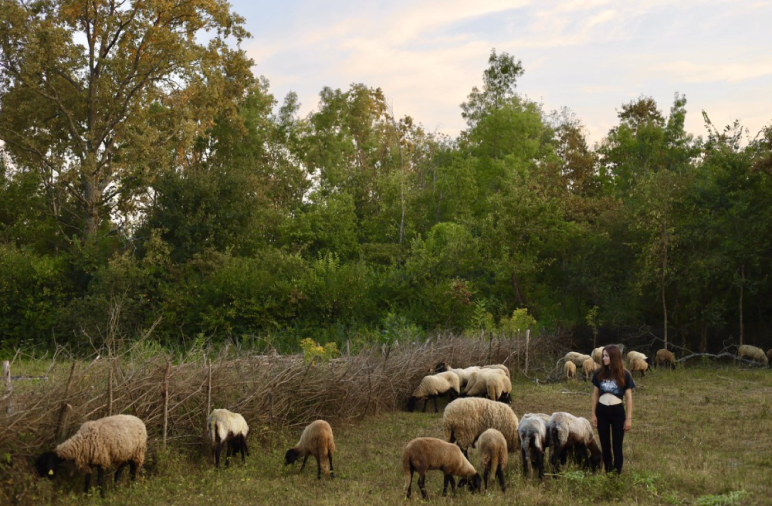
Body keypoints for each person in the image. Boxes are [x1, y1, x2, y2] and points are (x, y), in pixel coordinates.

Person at [591, 344, 634, 474]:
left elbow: (628, 397)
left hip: (617, 413)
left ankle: (616, 474)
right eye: (603, 356)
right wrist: (593, 414)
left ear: (614, 357)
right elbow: (595, 394)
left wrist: (628, 418)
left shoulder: (625, 374)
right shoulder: (599, 373)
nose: (603, 358)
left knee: (617, 446)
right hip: (602, 412)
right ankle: (608, 472)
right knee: (605, 445)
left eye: (606, 356)